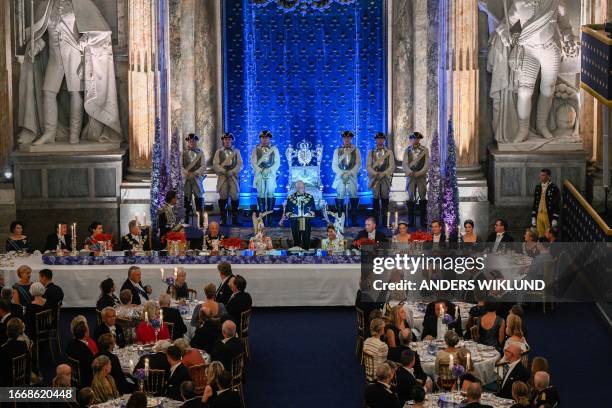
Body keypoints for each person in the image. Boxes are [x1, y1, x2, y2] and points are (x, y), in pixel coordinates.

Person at [250, 130, 281, 227]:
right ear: (260, 138)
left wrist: (270, 170)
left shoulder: (274, 149)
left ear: (269, 138)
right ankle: (262, 217)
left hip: (271, 174)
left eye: (267, 138)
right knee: (261, 193)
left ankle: (270, 216)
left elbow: (277, 162)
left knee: (270, 193)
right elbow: (253, 162)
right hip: (260, 174)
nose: (265, 139)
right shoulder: (256, 149)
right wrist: (261, 170)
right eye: (263, 137)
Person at [213, 132, 243, 226]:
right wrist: (224, 171)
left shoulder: (236, 151)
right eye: (225, 139)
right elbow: (215, 164)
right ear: (223, 140)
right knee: (223, 197)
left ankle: (235, 218)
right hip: (223, 177)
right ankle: (223, 218)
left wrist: (232, 171)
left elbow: (240, 164)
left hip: (233, 177)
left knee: (235, 196)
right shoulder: (219, 152)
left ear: (232, 140)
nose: (227, 141)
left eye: (229, 139)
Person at [332, 130, 362, 226]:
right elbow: (334, 165)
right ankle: (340, 219)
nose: (347, 139)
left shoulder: (356, 150)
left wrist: (350, 173)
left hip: (352, 176)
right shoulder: (337, 150)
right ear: (342, 138)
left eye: (349, 138)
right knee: (340, 196)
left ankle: (353, 219)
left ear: (351, 138)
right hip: (341, 177)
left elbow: (358, 164)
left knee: (353, 196)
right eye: (345, 138)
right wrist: (342, 173)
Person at [367, 132, 396, 226]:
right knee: (375, 199)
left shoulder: (389, 152)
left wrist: (383, 173)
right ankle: (375, 221)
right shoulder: (371, 152)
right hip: (375, 178)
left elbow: (392, 166)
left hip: (385, 178)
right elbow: (368, 166)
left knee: (385, 199)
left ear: (384, 140)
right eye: (378, 139)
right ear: (375, 140)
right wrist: (375, 174)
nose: (380, 140)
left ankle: (384, 222)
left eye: (381, 139)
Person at [402, 132, 429, 228]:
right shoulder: (407, 150)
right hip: (411, 176)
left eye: (417, 139)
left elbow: (426, 164)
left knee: (422, 196)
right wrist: (410, 172)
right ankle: (410, 220)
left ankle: (423, 220)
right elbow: (404, 164)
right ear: (411, 140)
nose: (415, 140)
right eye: (414, 138)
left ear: (419, 140)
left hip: (421, 176)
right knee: (410, 197)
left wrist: (419, 173)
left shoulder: (425, 150)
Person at [183, 133, 207, 225]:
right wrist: (186, 173)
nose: (192, 142)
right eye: (190, 141)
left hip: (197, 179)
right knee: (186, 199)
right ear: (187, 142)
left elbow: (203, 165)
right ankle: (186, 219)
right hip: (187, 179)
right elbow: (180, 165)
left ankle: (200, 220)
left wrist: (196, 173)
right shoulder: (183, 153)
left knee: (199, 198)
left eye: (193, 140)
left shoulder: (200, 153)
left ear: (196, 141)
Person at [285, 180, 316, 250]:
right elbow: (287, 211)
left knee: (306, 239)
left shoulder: (310, 197)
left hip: (306, 221)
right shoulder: (290, 198)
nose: (302, 189)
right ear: (297, 188)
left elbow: (313, 209)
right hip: (295, 221)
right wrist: (291, 214)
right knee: (296, 240)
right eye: (300, 188)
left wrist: (309, 213)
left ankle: (306, 254)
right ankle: (296, 257)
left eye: (303, 187)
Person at [0, 318, 30, 386]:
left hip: (7, 380)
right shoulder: (23, 344)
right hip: (22, 376)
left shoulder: (4, 349)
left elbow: (3, 369)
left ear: (7, 331)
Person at [66, 320, 95, 388]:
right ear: (85, 334)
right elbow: (92, 365)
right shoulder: (85, 350)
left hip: (75, 375)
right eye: (88, 330)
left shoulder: (70, 344)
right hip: (86, 378)